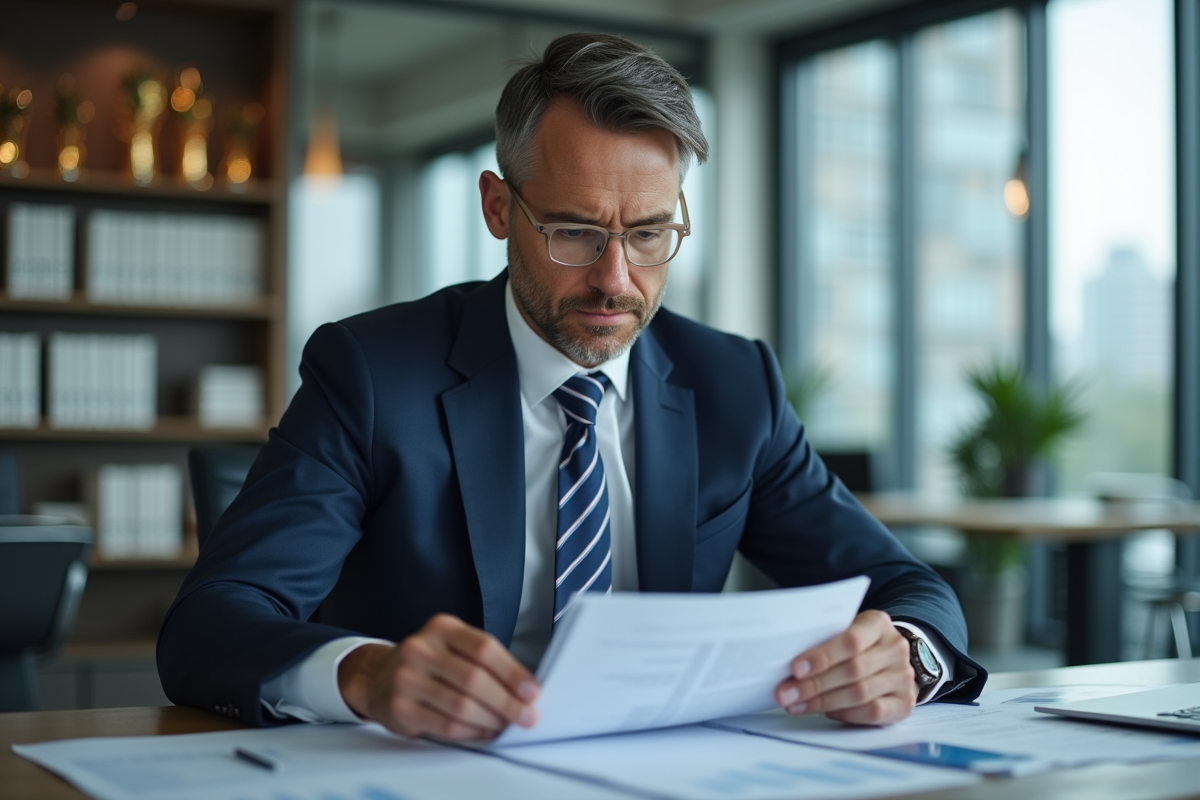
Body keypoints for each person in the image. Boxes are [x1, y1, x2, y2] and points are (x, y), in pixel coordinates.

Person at [158, 32, 985, 740]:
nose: (615, 281)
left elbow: (909, 587)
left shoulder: (736, 387)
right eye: (575, 233)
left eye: (651, 234)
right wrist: (365, 676)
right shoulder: (372, 375)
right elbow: (211, 623)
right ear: (497, 207)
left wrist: (901, 651)